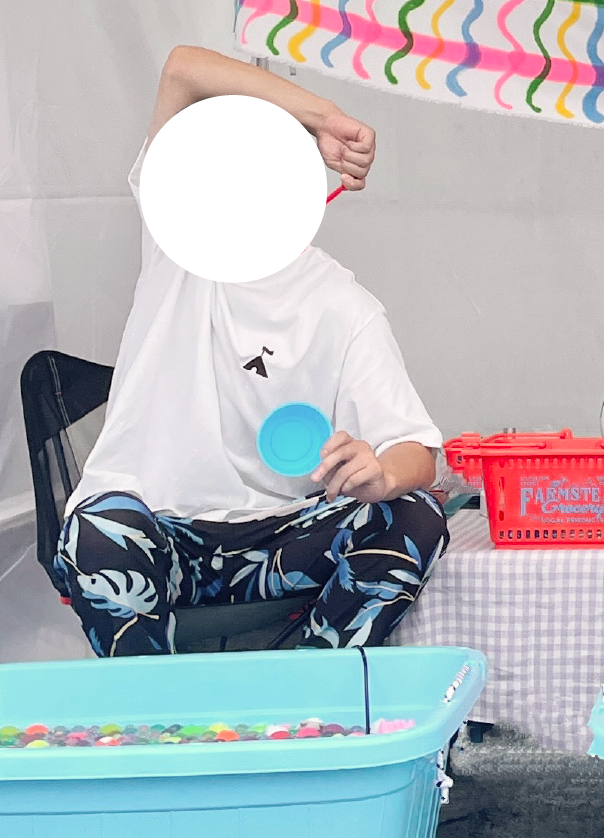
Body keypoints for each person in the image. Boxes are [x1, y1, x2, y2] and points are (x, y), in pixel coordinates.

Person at [55, 45, 447, 655]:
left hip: (277, 544)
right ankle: (157, 709)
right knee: (96, 534)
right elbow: (182, 69)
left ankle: (306, 687)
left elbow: (417, 451)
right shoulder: (176, 247)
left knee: (414, 516)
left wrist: (382, 474)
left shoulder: (344, 306)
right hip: (157, 535)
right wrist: (323, 115)